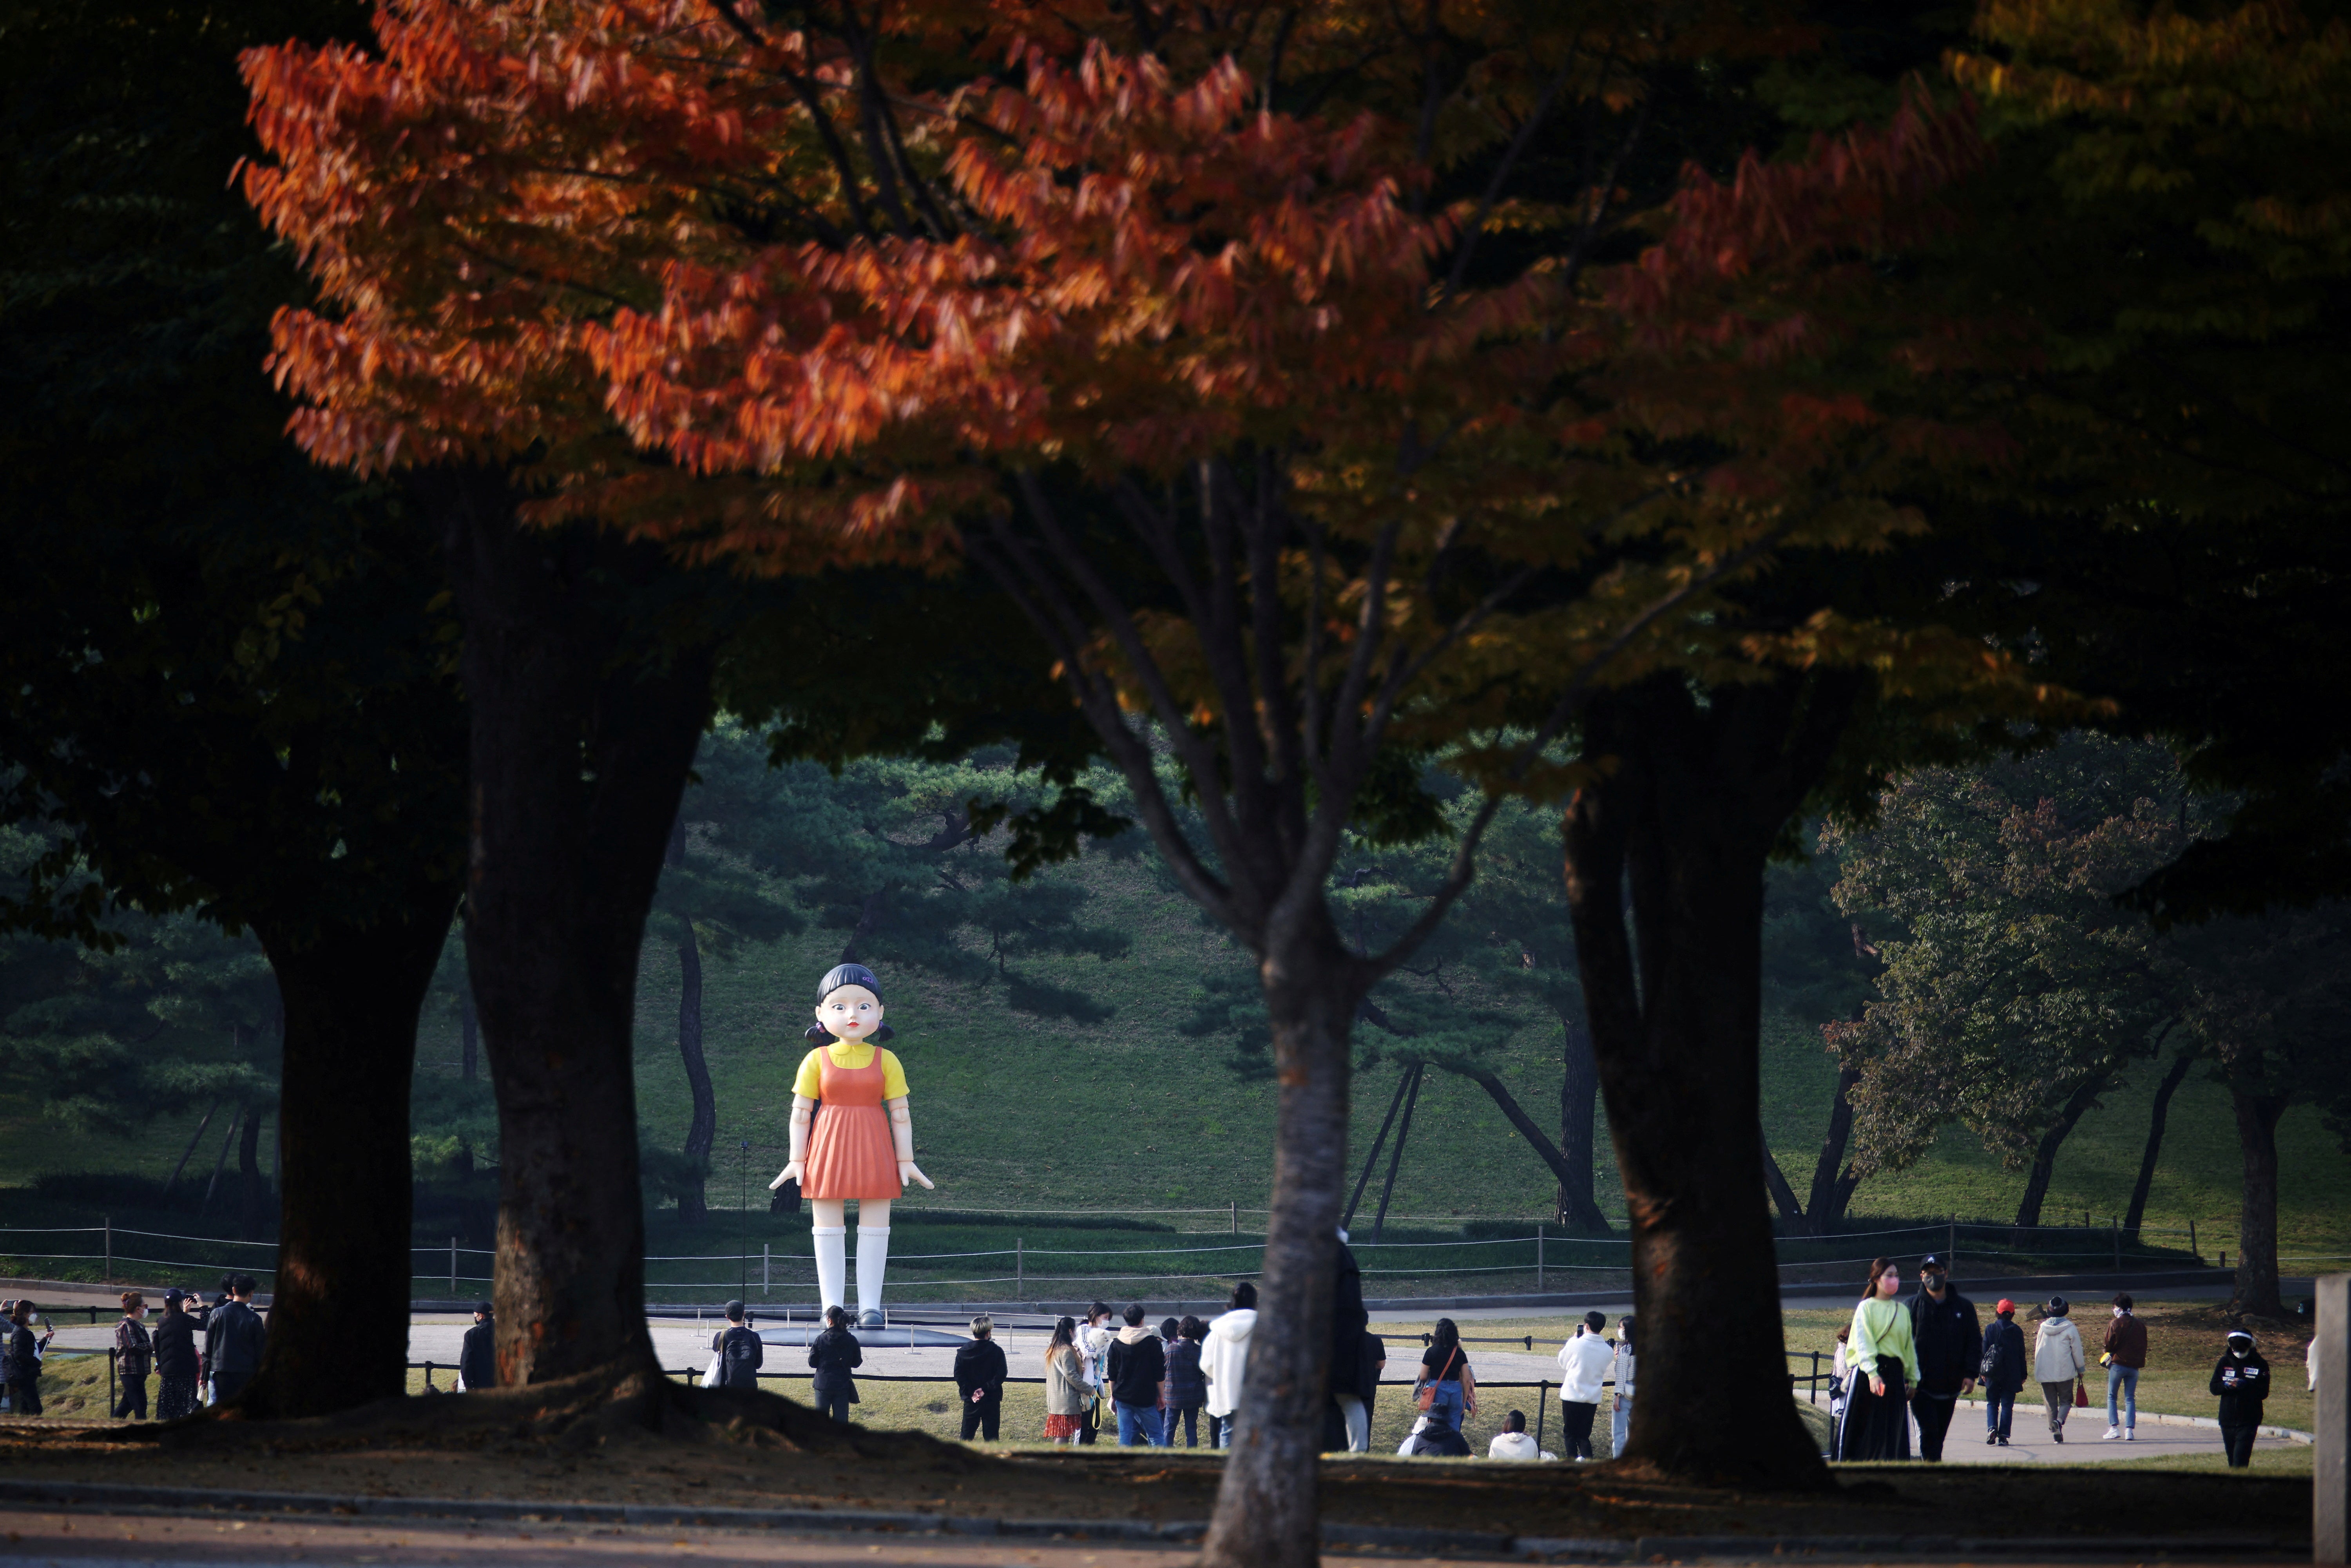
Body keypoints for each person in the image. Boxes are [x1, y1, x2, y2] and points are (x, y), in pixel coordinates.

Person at [768, 963, 935, 1328]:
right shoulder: (816, 1060)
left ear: (880, 1013)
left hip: (875, 1144)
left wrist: (905, 1159)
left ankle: (870, 1306)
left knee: (876, 1225)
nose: (853, 1015)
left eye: (864, 1005)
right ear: (820, 1014)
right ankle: (833, 1307)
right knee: (827, 1225)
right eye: (839, 1006)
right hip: (827, 1144)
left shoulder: (886, 1060)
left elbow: (901, 1114)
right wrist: (797, 1159)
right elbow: (800, 1114)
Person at [1838, 1257, 1917, 1461]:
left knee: (1892, 1433)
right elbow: (1863, 1343)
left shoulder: (1902, 1311)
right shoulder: (1866, 1308)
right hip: (1868, 1377)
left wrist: (1913, 1379)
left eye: (1897, 1275)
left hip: (1895, 1376)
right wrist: (1873, 1374)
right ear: (1876, 1279)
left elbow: (1908, 1348)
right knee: (1864, 1434)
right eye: (1889, 1275)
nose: (1894, 1279)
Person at [1906, 1254, 1980, 1462]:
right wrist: (1907, 1378)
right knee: (1929, 1434)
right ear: (1921, 1276)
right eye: (1928, 1273)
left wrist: (1970, 1374)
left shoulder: (1963, 1308)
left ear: (1946, 1273)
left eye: (1937, 1272)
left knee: (1938, 1436)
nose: (1933, 1277)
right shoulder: (1911, 1307)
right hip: (1920, 1387)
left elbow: (1974, 1342)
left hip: (1950, 1386)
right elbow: (1902, 1346)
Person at [1324, 1229, 1367, 1453]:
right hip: (1346, 1344)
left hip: (1332, 1344)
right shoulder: (1343, 1257)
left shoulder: (1327, 1256)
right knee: (1348, 1401)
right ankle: (1357, 1450)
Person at [1202, 1282, 1257, 1450]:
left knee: (1227, 1432)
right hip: (1257, 1394)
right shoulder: (1265, 1326)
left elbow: (1207, 1365)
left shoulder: (1218, 1330)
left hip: (1227, 1394)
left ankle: (1226, 1472)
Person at [1108, 1303, 1167, 1446]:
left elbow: (1112, 1374)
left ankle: (1124, 1466)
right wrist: (1161, 1396)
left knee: (1125, 1437)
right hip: (1146, 1398)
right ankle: (1162, 1466)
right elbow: (1160, 1374)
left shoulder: (1116, 1344)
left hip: (1123, 1397)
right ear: (1142, 1320)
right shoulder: (1153, 1343)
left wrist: (1113, 1395)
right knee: (1156, 1435)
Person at [1554, 1311, 1611, 1460]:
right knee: (1584, 1436)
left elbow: (1563, 1362)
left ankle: (1572, 1463)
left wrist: (1572, 1340)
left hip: (1572, 1396)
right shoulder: (1608, 1351)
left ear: (1586, 1326)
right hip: (1591, 1398)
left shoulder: (1576, 1344)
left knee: (1570, 1434)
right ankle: (1589, 1463)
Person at [2211, 1329, 2270, 1467]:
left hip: (2249, 1420)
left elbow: (2263, 1393)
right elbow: (2214, 1388)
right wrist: (2226, 1386)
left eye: (2242, 1349)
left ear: (2250, 1345)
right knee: (2232, 1461)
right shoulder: (2224, 1362)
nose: (2238, 1352)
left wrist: (2246, 1386)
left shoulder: (2260, 1364)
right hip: (2227, 1420)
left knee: (2240, 1463)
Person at [206, 1275, 268, 1405]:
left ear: (234, 1290)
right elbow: (260, 1351)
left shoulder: (217, 1313)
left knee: (221, 1407)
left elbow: (208, 1347)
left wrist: (204, 1375)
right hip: (245, 1371)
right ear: (251, 1294)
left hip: (220, 1370)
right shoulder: (255, 1319)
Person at [2032, 1295, 2087, 1443]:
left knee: (2050, 1403)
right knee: (2066, 1400)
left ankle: (2054, 1429)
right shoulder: (2070, 1328)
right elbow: (2076, 1350)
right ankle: (2060, 1421)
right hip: (2065, 1371)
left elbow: (2038, 1349)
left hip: (2045, 1372)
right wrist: (2080, 1369)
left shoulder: (2042, 1328)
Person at [1415, 1318, 1477, 1437]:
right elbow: (1466, 1379)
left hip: (1437, 1390)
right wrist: (1464, 1401)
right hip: (1455, 1390)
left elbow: (1423, 1376)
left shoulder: (1431, 1351)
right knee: (1455, 1429)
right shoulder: (1459, 1353)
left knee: (1437, 1424)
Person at [1978, 1298, 2027, 1447]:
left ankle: (1992, 1428)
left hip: (1993, 1372)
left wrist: (1982, 1371)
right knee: (2007, 1405)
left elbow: (1984, 1351)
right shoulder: (2017, 1331)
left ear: (1997, 1313)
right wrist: (2023, 1375)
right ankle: (2004, 1436)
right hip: (2012, 1373)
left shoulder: (1990, 1329)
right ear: (2013, 1314)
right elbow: (2021, 1354)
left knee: (1992, 1403)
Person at [954, 1314, 1008, 1441]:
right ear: (988, 1333)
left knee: (966, 1436)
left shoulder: (963, 1352)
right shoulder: (997, 1351)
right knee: (992, 1437)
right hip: (991, 1399)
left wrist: (972, 1392)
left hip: (971, 1399)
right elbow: (1001, 1375)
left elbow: (959, 1375)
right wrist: (984, 1390)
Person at [807, 1304, 862, 1423]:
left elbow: (812, 1362)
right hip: (842, 1385)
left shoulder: (821, 1339)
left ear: (829, 1320)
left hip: (823, 1384)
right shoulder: (852, 1340)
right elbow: (857, 1362)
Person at [2102, 1292, 2146, 1441]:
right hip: (2134, 1366)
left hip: (2118, 1364)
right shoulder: (2140, 1325)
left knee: (2112, 1396)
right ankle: (2129, 1431)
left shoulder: (2116, 1323)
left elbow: (2108, 1344)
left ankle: (2114, 1428)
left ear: (2119, 1308)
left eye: (2115, 1306)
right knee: (2130, 1398)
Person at [152, 1289, 201, 1422]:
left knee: (168, 1406)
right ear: (180, 1302)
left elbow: (172, 1330)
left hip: (168, 1371)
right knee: (186, 1406)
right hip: (186, 1370)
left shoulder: (161, 1321)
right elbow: (206, 1324)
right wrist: (202, 1307)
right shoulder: (186, 1319)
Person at [1043, 1316, 1089, 1447]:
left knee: (1059, 1433)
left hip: (1056, 1399)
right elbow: (1071, 1375)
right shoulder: (1067, 1351)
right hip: (1066, 1400)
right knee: (1063, 1434)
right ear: (1070, 1331)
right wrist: (1089, 1389)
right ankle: (1058, 1461)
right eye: (1075, 1330)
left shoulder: (1054, 1349)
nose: (1075, 1333)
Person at [1078, 1302, 1117, 1446]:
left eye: (1108, 1318)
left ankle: (1090, 1450)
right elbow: (1088, 1352)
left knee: (1095, 1424)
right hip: (1085, 1385)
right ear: (1095, 1316)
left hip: (1097, 1384)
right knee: (1084, 1423)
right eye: (1105, 1317)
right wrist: (1100, 1347)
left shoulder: (1104, 1335)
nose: (1106, 1321)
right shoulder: (1083, 1330)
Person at [1164, 1316, 1206, 1448]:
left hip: (1173, 1395)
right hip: (1193, 1396)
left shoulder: (1171, 1349)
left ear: (1180, 1331)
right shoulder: (1200, 1351)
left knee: (1169, 1428)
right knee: (1191, 1428)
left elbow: (1163, 1370)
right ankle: (1192, 1454)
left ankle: (1166, 1453)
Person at [113, 1292, 154, 1420]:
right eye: (145, 1306)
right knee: (140, 1406)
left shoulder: (139, 1325)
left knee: (127, 1404)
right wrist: (152, 1346)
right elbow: (133, 1347)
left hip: (139, 1372)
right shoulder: (126, 1325)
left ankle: (110, 1427)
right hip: (130, 1372)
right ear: (138, 1309)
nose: (146, 1309)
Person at [4, 1300, 48, 1417]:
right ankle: (35, 1432)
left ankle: (24, 1430)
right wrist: (37, 1362)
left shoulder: (25, 1332)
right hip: (25, 1375)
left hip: (29, 1375)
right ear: (25, 1314)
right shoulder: (20, 1332)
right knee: (36, 1408)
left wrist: (45, 1340)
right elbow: (19, 1354)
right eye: (32, 1312)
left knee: (26, 1409)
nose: (35, 1315)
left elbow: (33, 1350)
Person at [713, 1299, 764, 1390]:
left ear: (727, 1317)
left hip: (727, 1386)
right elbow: (758, 1364)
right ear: (744, 1314)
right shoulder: (755, 1337)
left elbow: (719, 1361)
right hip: (750, 1386)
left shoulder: (720, 1337)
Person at [1353, 1325, 1387, 1455]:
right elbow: (1381, 1364)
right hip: (1367, 1387)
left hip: (1344, 1387)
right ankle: (1363, 1450)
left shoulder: (1342, 1339)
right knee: (1366, 1420)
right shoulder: (1375, 1341)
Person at [1609, 1317, 1636, 1460]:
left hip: (1625, 1393)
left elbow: (1621, 1375)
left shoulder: (1626, 1350)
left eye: (1621, 1328)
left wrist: (1618, 1396)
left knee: (1619, 1433)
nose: (1619, 1331)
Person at [1487, 1409, 1556, 1461]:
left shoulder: (1497, 1442)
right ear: (1523, 1426)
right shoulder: (1531, 1443)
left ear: (1507, 1424)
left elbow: (1491, 1466)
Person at [458, 1302, 496, 1392]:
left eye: (476, 1316)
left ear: (481, 1316)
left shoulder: (472, 1335)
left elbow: (466, 1364)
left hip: (481, 1385)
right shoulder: (505, 1331)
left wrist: (469, 1387)